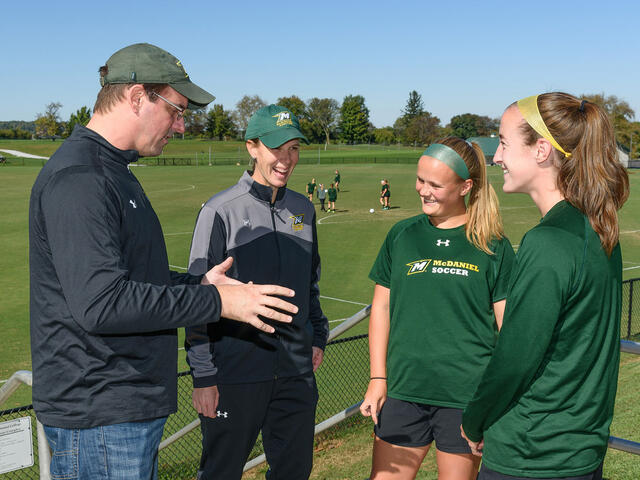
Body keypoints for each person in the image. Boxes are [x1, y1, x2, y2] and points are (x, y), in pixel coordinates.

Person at [29, 43, 298, 480]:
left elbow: (136, 278)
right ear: (137, 97)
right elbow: (102, 303)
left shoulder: (113, 171)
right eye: (176, 110)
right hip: (101, 416)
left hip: (121, 413)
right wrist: (219, 305)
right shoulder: (82, 177)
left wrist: (200, 286)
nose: (181, 125)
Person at [461, 93, 630, 480]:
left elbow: (516, 356)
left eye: (503, 143)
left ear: (541, 150)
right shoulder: (599, 227)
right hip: (579, 449)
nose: (497, 157)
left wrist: (474, 421)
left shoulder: (549, 241)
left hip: (532, 453)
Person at [186, 104, 329, 480]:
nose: (287, 159)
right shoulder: (219, 211)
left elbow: (309, 284)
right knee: (220, 472)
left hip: (296, 373)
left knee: (294, 472)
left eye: (294, 148)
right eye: (277, 148)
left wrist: (318, 336)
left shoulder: (303, 209)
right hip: (236, 374)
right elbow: (197, 299)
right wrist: (203, 376)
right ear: (252, 147)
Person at [361, 137, 515, 480]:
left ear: (465, 186)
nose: (423, 190)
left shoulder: (492, 245)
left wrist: (495, 400)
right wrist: (377, 378)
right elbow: (381, 308)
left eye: (435, 184)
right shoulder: (402, 235)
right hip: (403, 391)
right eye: (420, 180)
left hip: (466, 398)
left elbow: (509, 330)